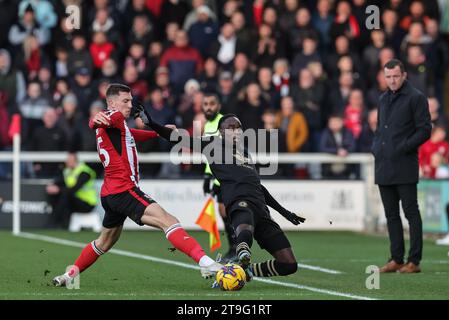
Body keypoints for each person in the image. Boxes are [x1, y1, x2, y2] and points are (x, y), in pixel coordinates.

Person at [52, 84, 222, 287]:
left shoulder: (118, 126)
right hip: (124, 190)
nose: (130, 105)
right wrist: (93, 119)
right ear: (112, 102)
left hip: (111, 194)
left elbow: (129, 134)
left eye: (131, 100)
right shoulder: (113, 116)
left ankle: (69, 276)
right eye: (126, 100)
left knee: (104, 242)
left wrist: (157, 133)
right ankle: (207, 263)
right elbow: (98, 121)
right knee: (168, 220)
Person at [141, 108, 305, 280]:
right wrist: (151, 123)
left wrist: (284, 212)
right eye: (231, 127)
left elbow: (259, 187)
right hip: (238, 201)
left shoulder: (245, 153)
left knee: (289, 265)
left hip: (261, 209)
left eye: (238, 127)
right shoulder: (211, 145)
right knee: (245, 221)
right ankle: (241, 249)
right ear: (221, 132)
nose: (236, 130)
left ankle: (243, 271)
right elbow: (177, 137)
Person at [373, 59, 431, 273]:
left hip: (405, 164)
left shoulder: (416, 98)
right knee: (391, 215)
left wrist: (403, 147)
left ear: (404, 75)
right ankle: (396, 258)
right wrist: (376, 148)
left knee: (411, 213)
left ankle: (414, 261)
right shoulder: (382, 98)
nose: (392, 80)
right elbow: (380, 129)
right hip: (384, 164)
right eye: (388, 77)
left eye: (395, 76)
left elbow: (425, 130)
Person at [201, 93, 237, 262]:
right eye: (206, 103)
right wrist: (208, 175)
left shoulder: (225, 123)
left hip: (228, 176)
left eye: (212, 103)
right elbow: (211, 154)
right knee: (224, 212)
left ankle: (238, 247)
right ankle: (235, 248)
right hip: (218, 177)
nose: (208, 107)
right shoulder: (208, 125)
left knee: (228, 211)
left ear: (219, 106)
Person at [46, 152, 97, 229]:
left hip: (87, 203)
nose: (67, 162)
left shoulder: (85, 172)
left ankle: (54, 222)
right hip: (74, 200)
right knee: (56, 194)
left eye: (69, 160)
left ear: (75, 161)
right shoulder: (67, 171)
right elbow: (60, 181)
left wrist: (58, 189)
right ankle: (59, 222)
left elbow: (74, 189)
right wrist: (52, 185)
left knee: (65, 195)